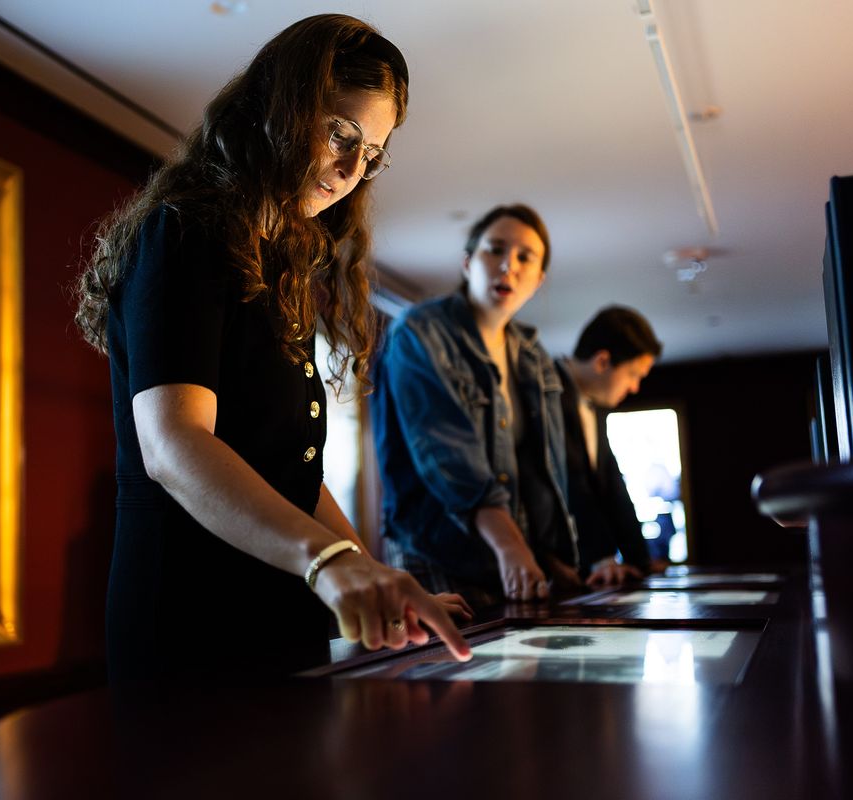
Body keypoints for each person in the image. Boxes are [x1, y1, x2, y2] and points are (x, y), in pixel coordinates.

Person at [75, 14, 471, 682]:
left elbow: (291, 473)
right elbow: (173, 445)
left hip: (275, 612)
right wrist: (327, 562)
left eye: (370, 155)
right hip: (188, 621)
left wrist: (375, 575)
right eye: (341, 133)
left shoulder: (279, 268)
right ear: (279, 106)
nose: (351, 169)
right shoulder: (184, 231)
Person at [371, 204, 578, 604]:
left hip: (510, 556)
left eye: (524, 257)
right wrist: (510, 546)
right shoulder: (420, 331)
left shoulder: (532, 355)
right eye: (495, 250)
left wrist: (551, 557)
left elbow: (541, 467)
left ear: (538, 280)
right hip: (436, 549)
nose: (508, 266)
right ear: (468, 263)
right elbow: (446, 451)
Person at [556, 306, 666, 585]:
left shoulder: (598, 405)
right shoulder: (549, 394)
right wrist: (601, 558)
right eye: (633, 374)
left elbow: (612, 486)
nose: (635, 388)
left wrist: (640, 560)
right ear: (603, 361)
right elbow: (571, 483)